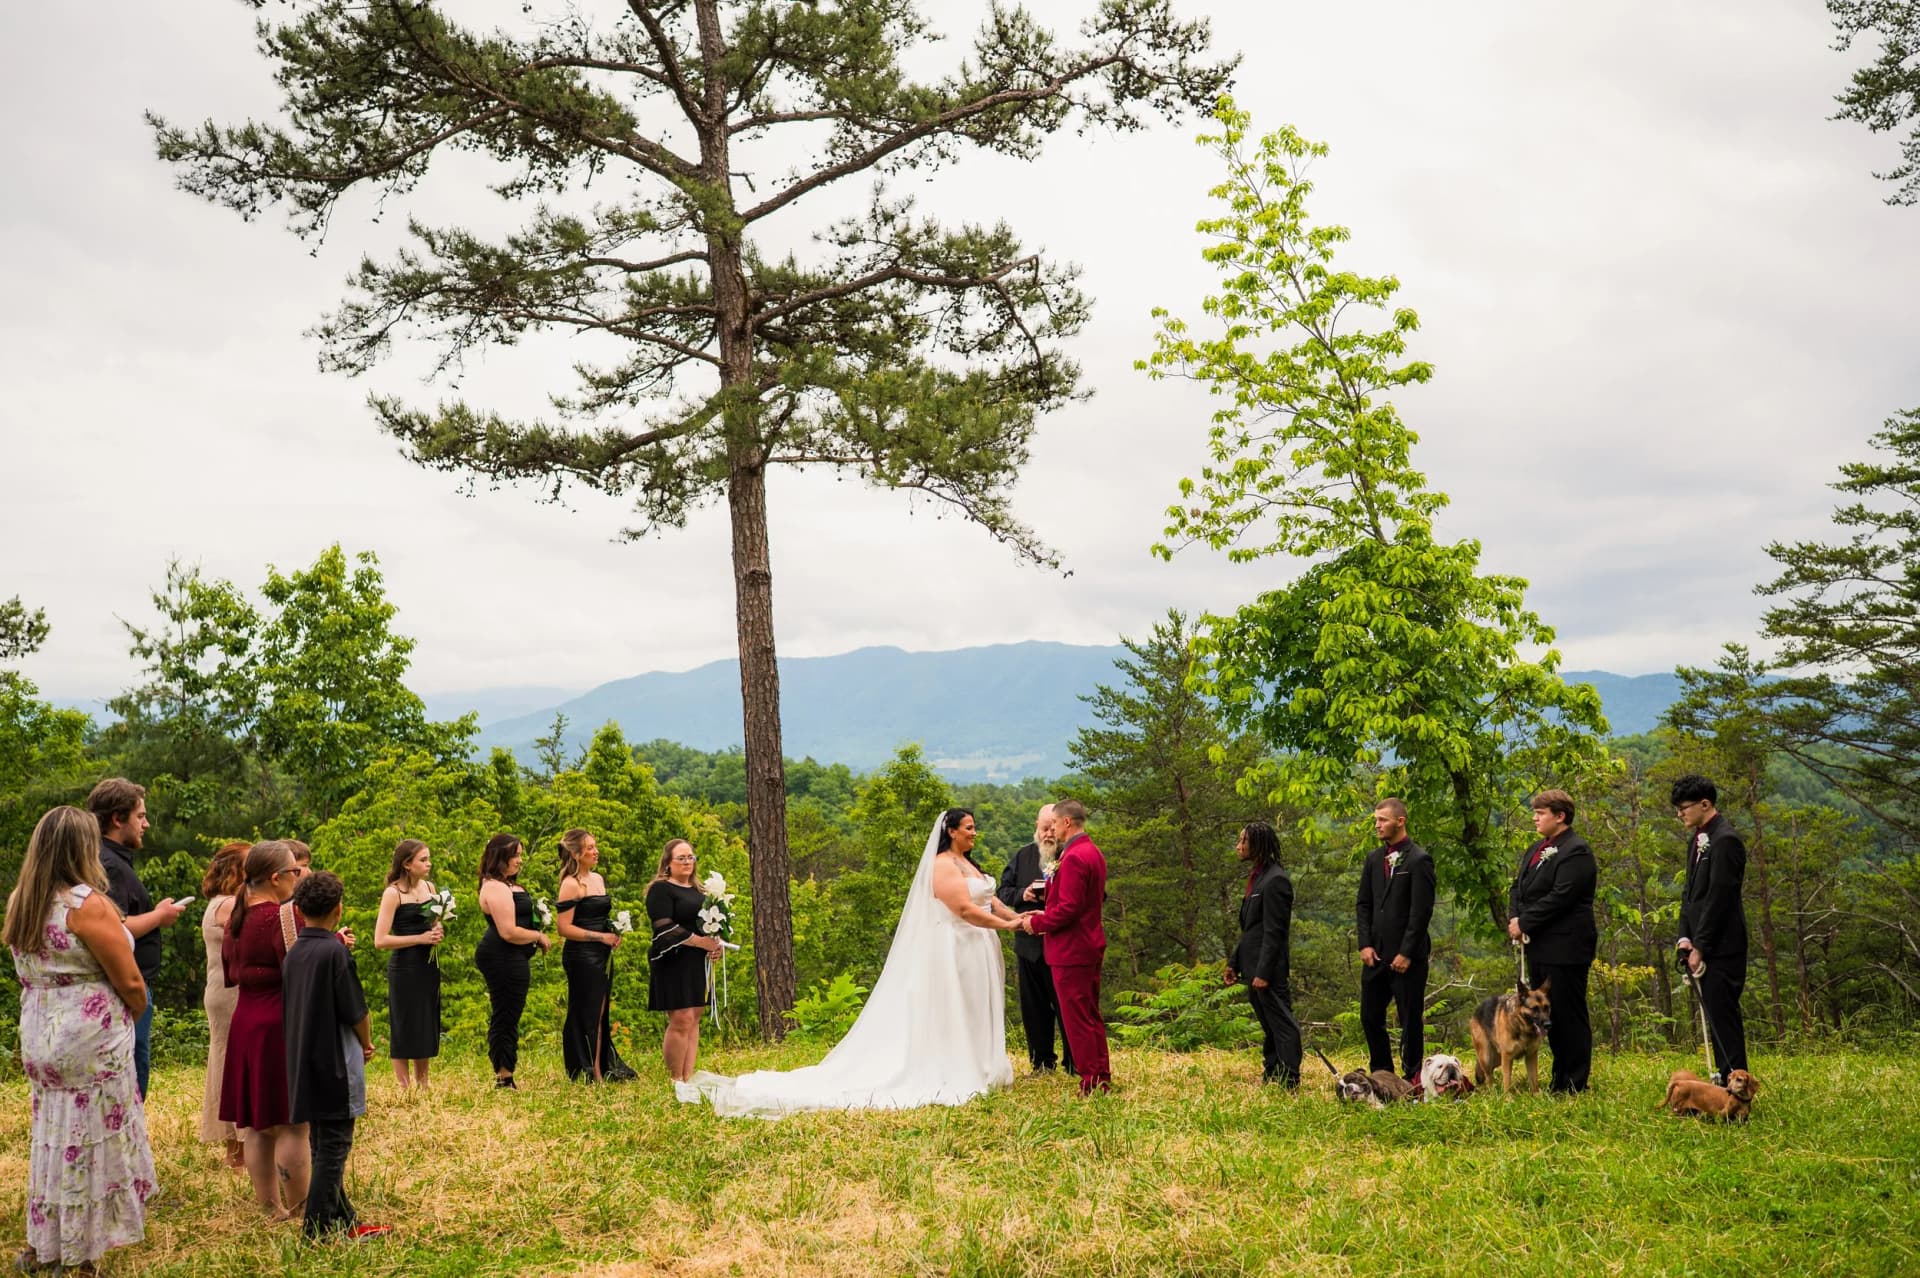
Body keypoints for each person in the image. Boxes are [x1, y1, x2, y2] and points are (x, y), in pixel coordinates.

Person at [696, 807, 1020, 1117]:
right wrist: (1008, 927)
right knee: (954, 1006)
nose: (975, 832)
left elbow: (989, 901)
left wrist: (1020, 918)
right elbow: (963, 908)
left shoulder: (968, 863)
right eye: (969, 828)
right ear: (951, 832)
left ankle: (981, 1062)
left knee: (976, 1005)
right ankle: (954, 1067)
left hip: (977, 945)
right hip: (954, 948)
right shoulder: (942, 865)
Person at [5, 806, 157, 1274]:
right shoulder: (84, 904)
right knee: (91, 1142)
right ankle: (82, 1250)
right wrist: (129, 1014)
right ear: (82, 848)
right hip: (90, 1039)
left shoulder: (23, 901)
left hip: (40, 1030)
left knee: (53, 1138)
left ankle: (42, 1243)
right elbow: (130, 981)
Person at [281, 872, 388, 1242]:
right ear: (339, 910)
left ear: (298, 909)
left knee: (321, 1145)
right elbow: (355, 1010)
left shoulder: (295, 953)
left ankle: (344, 1219)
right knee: (334, 1148)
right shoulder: (335, 952)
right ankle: (316, 1229)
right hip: (336, 1065)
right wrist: (367, 1042)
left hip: (302, 1063)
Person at [219, 839, 310, 1219]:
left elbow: (230, 973)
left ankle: (270, 1208)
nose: (298, 878)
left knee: (257, 1122)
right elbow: (300, 969)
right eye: (294, 872)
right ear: (275, 878)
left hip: (246, 1019)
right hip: (279, 1021)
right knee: (293, 1123)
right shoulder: (283, 917)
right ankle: (303, 1207)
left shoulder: (235, 919)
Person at [88, 777, 185, 1099]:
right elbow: (112, 929)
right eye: (140, 816)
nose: (145, 824)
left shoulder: (108, 859)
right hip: (126, 983)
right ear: (118, 818)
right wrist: (159, 917)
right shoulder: (110, 866)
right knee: (132, 1063)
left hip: (128, 982)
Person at [1019, 799, 1111, 1096]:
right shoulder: (1092, 851)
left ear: (1067, 823)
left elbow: (1068, 908)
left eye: (1055, 823)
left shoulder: (1073, 857)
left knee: (1077, 1019)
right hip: (1089, 943)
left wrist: (1039, 922)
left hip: (1072, 949)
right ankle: (1100, 1073)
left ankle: (1091, 1081)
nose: (1053, 829)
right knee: (1089, 1014)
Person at [1507, 789, 1597, 1094]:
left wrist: (1526, 921)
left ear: (1560, 816)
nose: (1534, 817)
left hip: (1567, 946)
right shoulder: (1536, 848)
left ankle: (1575, 1082)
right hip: (1540, 945)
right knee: (1547, 1015)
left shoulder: (1577, 851)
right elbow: (1517, 888)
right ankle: (1558, 1079)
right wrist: (1514, 920)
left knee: (1568, 1013)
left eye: (1540, 813)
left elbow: (1562, 897)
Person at [1672, 774, 1749, 1082]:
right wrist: (1684, 936)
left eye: (1684, 807)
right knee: (1713, 1015)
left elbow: (1720, 898)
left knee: (1724, 1018)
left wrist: (1701, 946)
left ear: (1705, 804)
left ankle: (1737, 1085)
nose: (1680, 814)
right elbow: (1690, 894)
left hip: (1724, 944)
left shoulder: (1726, 840)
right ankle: (1723, 1080)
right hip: (1700, 939)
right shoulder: (1698, 838)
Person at [1355, 797, 1435, 1081]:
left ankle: (1413, 1076)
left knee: (1410, 1019)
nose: (1377, 825)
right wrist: (1364, 943)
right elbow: (1363, 903)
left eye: (1383, 820)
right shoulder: (1374, 859)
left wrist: (1406, 952)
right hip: (1375, 954)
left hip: (1407, 957)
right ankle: (1382, 1072)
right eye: (1376, 820)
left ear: (1400, 821)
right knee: (1370, 1016)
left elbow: (1420, 911)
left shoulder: (1419, 860)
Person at [996, 804, 1073, 1075]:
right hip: (1028, 946)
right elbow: (1002, 892)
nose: (1049, 833)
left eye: (1053, 828)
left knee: (1066, 1007)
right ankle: (1041, 1063)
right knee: (1034, 1008)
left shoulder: (1071, 856)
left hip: (1062, 945)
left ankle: (1074, 1062)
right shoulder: (1023, 856)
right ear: (1036, 829)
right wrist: (1023, 895)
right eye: (1044, 828)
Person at [556, 828, 637, 1082]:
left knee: (601, 1011)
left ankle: (603, 1065)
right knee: (584, 1011)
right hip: (581, 955)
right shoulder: (571, 884)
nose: (596, 851)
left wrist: (613, 932)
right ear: (576, 854)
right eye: (590, 847)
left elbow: (598, 915)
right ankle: (584, 1068)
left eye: (595, 846)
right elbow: (564, 928)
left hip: (602, 953)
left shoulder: (598, 879)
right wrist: (600, 937)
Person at [646, 838, 724, 1097]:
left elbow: (709, 926)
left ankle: (688, 1077)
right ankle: (675, 1079)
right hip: (673, 959)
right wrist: (699, 942)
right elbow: (663, 926)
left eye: (691, 857)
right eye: (681, 858)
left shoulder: (701, 892)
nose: (688, 862)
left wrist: (715, 945)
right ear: (668, 863)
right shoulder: (661, 889)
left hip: (697, 961)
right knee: (680, 1018)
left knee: (695, 1017)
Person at [1227, 821, 1301, 1088]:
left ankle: (1290, 1078)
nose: (1238, 846)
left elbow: (1275, 932)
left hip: (1267, 970)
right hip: (1251, 964)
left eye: (1243, 841)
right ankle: (1272, 1071)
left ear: (1257, 845)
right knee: (1268, 1024)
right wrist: (1234, 962)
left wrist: (1263, 973)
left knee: (1282, 1024)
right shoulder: (1257, 878)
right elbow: (1251, 928)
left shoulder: (1276, 880)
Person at [475, 833, 550, 1090]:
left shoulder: (509, 884)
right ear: (500, 858)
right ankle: (504, 1075)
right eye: (515, 855)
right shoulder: (495, 887)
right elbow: (508, 931)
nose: (520, 860)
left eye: (520, 854)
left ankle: (506, 1071)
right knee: (505, 1013)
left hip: (514, 956)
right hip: (501, 956)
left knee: (512, 1013)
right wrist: (538, 935)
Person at [375, 839, 443, 1090]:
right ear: (407, 864)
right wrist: (420, 938)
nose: (429, 863)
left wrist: (437, 930)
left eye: (428, 858)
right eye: (423, 860)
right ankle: (404, 1087)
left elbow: (434, 922)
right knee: (404, 1022)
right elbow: (380, 940)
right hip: (404, 967)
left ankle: (423, 1084)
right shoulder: (393, 893)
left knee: (425, 1020)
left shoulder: (429, 887)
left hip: (428, 965)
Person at [199, 840, 250, 1170]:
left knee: (227, 1061)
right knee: (234, 1064)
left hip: (222, 989)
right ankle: (239, 1149)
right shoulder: (230, 904)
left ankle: (237, 1148)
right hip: (230, 992)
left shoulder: (221, 902)